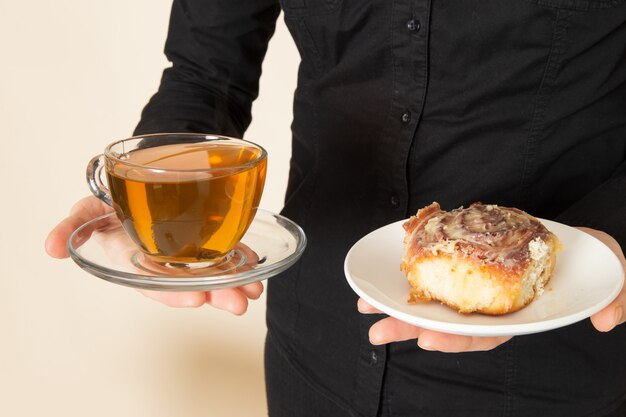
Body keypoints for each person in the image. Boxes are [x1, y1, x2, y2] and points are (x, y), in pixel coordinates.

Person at [45, 1, 626, 416]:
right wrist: (152, 203)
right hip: (316, 343)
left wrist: (617, 238)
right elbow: (205, 74)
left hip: (549, 358)